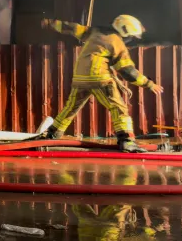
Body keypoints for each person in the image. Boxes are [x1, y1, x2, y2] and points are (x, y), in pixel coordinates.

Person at [40, 15, 163, 152]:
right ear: (126, 32)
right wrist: (149, 84)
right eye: (131, 36)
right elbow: (127, 71)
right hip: (100, 79)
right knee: (118, 108)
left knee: (71, 108)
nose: (130, 40)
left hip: (80, 78)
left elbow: (72, 28)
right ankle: (127, 141)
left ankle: (52, 134)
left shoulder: (95, 32)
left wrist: (51, 23)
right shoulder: (117, 43)